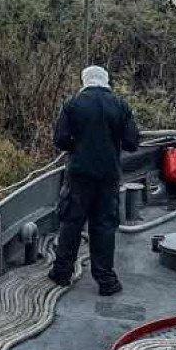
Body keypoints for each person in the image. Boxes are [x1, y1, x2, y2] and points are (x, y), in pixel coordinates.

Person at [49, 65, 141, 296]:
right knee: (104, 226)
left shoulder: (73, 104)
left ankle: (61, 273)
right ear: (106, 80)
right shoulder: (120, 105)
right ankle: (107, 281)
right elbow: (131, 142)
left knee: (71, 222)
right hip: (108, 176)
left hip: (79, 174)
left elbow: (60, 139)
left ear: (85, 80)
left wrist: (77, 145)